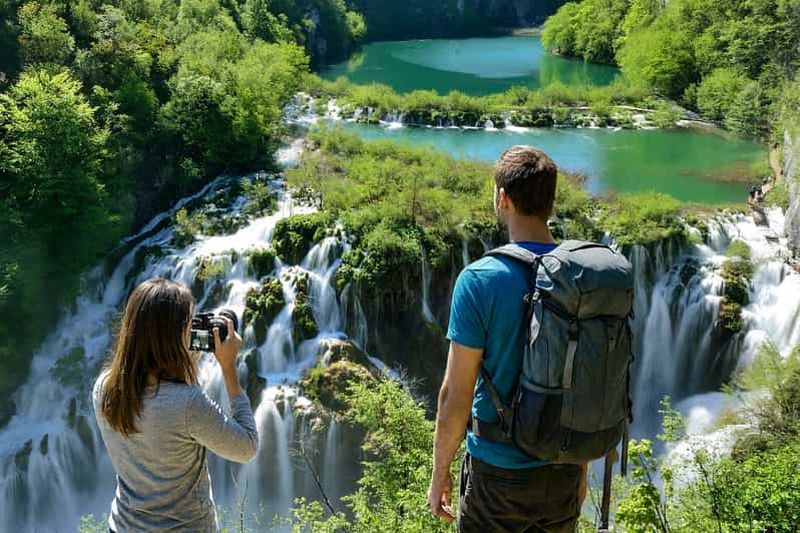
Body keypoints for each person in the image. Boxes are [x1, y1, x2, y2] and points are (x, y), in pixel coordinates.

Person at [428, 146, 586, 532]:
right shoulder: (582, 275)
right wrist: (581, 471)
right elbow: (585, 378)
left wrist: (440, 472)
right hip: (563, 467)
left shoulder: (481, 278)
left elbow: (456, 394)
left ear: (502, 198)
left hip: (497, 471)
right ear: (551, 201)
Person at [93, 278, 258, 532]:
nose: (193, 331)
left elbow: (158, 414)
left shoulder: (104, 388)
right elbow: (246, 447)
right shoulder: (188, 404)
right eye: (189, 324)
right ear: (171, 336)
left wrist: (186, 361)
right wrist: (228, 369)